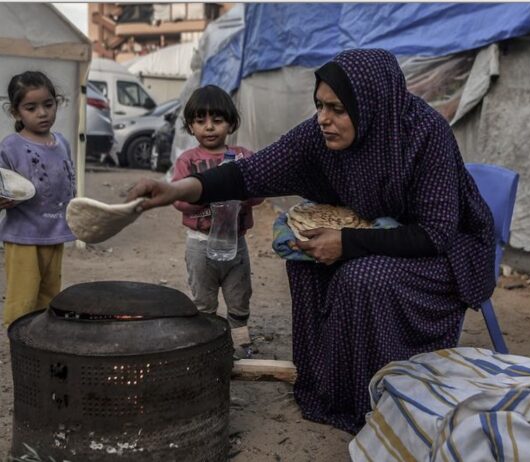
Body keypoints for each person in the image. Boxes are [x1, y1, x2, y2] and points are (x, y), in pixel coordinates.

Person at [126, 49, 495, 434]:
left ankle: (380, 400)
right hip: (376, 233)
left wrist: (347, 244)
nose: (323, 119)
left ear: (369, 105)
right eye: (319, 105)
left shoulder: (424, 134)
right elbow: (251, 172)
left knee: (361, 277)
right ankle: (330, 389)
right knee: (305, 261)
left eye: (336, 108)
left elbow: (436, 232)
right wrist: (176, 189)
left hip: (445, 251)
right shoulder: (317, 137)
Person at [171, 85, 263, 359]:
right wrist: (208, 193)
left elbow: (259, 192)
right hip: (200, 245)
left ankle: (240, 343)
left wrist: (241, 192)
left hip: (236, 243)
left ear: (231, 123)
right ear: (190, 126)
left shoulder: (243, 158)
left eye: (217, 120)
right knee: (203, 300)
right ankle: (207, 346)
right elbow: (178, 200)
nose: (209, 128)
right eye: (201, 121)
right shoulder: (187, 161)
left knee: (239, 295)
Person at [0, 71, 76, 326]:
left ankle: (41, 343)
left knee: (49, 295)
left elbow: (68, 179)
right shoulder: (11, 146)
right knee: (23, 299)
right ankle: (20, 343)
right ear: (15, 112)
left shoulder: (62, 142)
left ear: (57, 102)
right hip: (23, 236)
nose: (42, 113)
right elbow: (2, 184)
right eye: (31, 108)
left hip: (55, 232)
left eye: (48, 104)